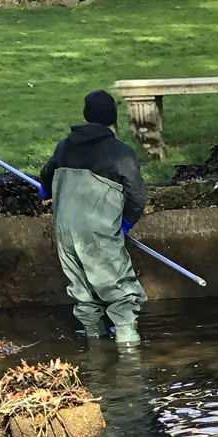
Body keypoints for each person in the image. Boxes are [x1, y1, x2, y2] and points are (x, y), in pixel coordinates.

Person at [39, 90, 148, 345]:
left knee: (84, 294)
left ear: (86, 116)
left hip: (66, 232)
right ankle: (129, 357)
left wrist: (45, 188)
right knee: (121, 294)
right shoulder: (120, 153)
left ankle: (96, 352)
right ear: (113, 118)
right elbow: (137, 196)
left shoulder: (65, 145)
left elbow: (46, 178)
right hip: (99, 230)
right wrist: (126, 223)